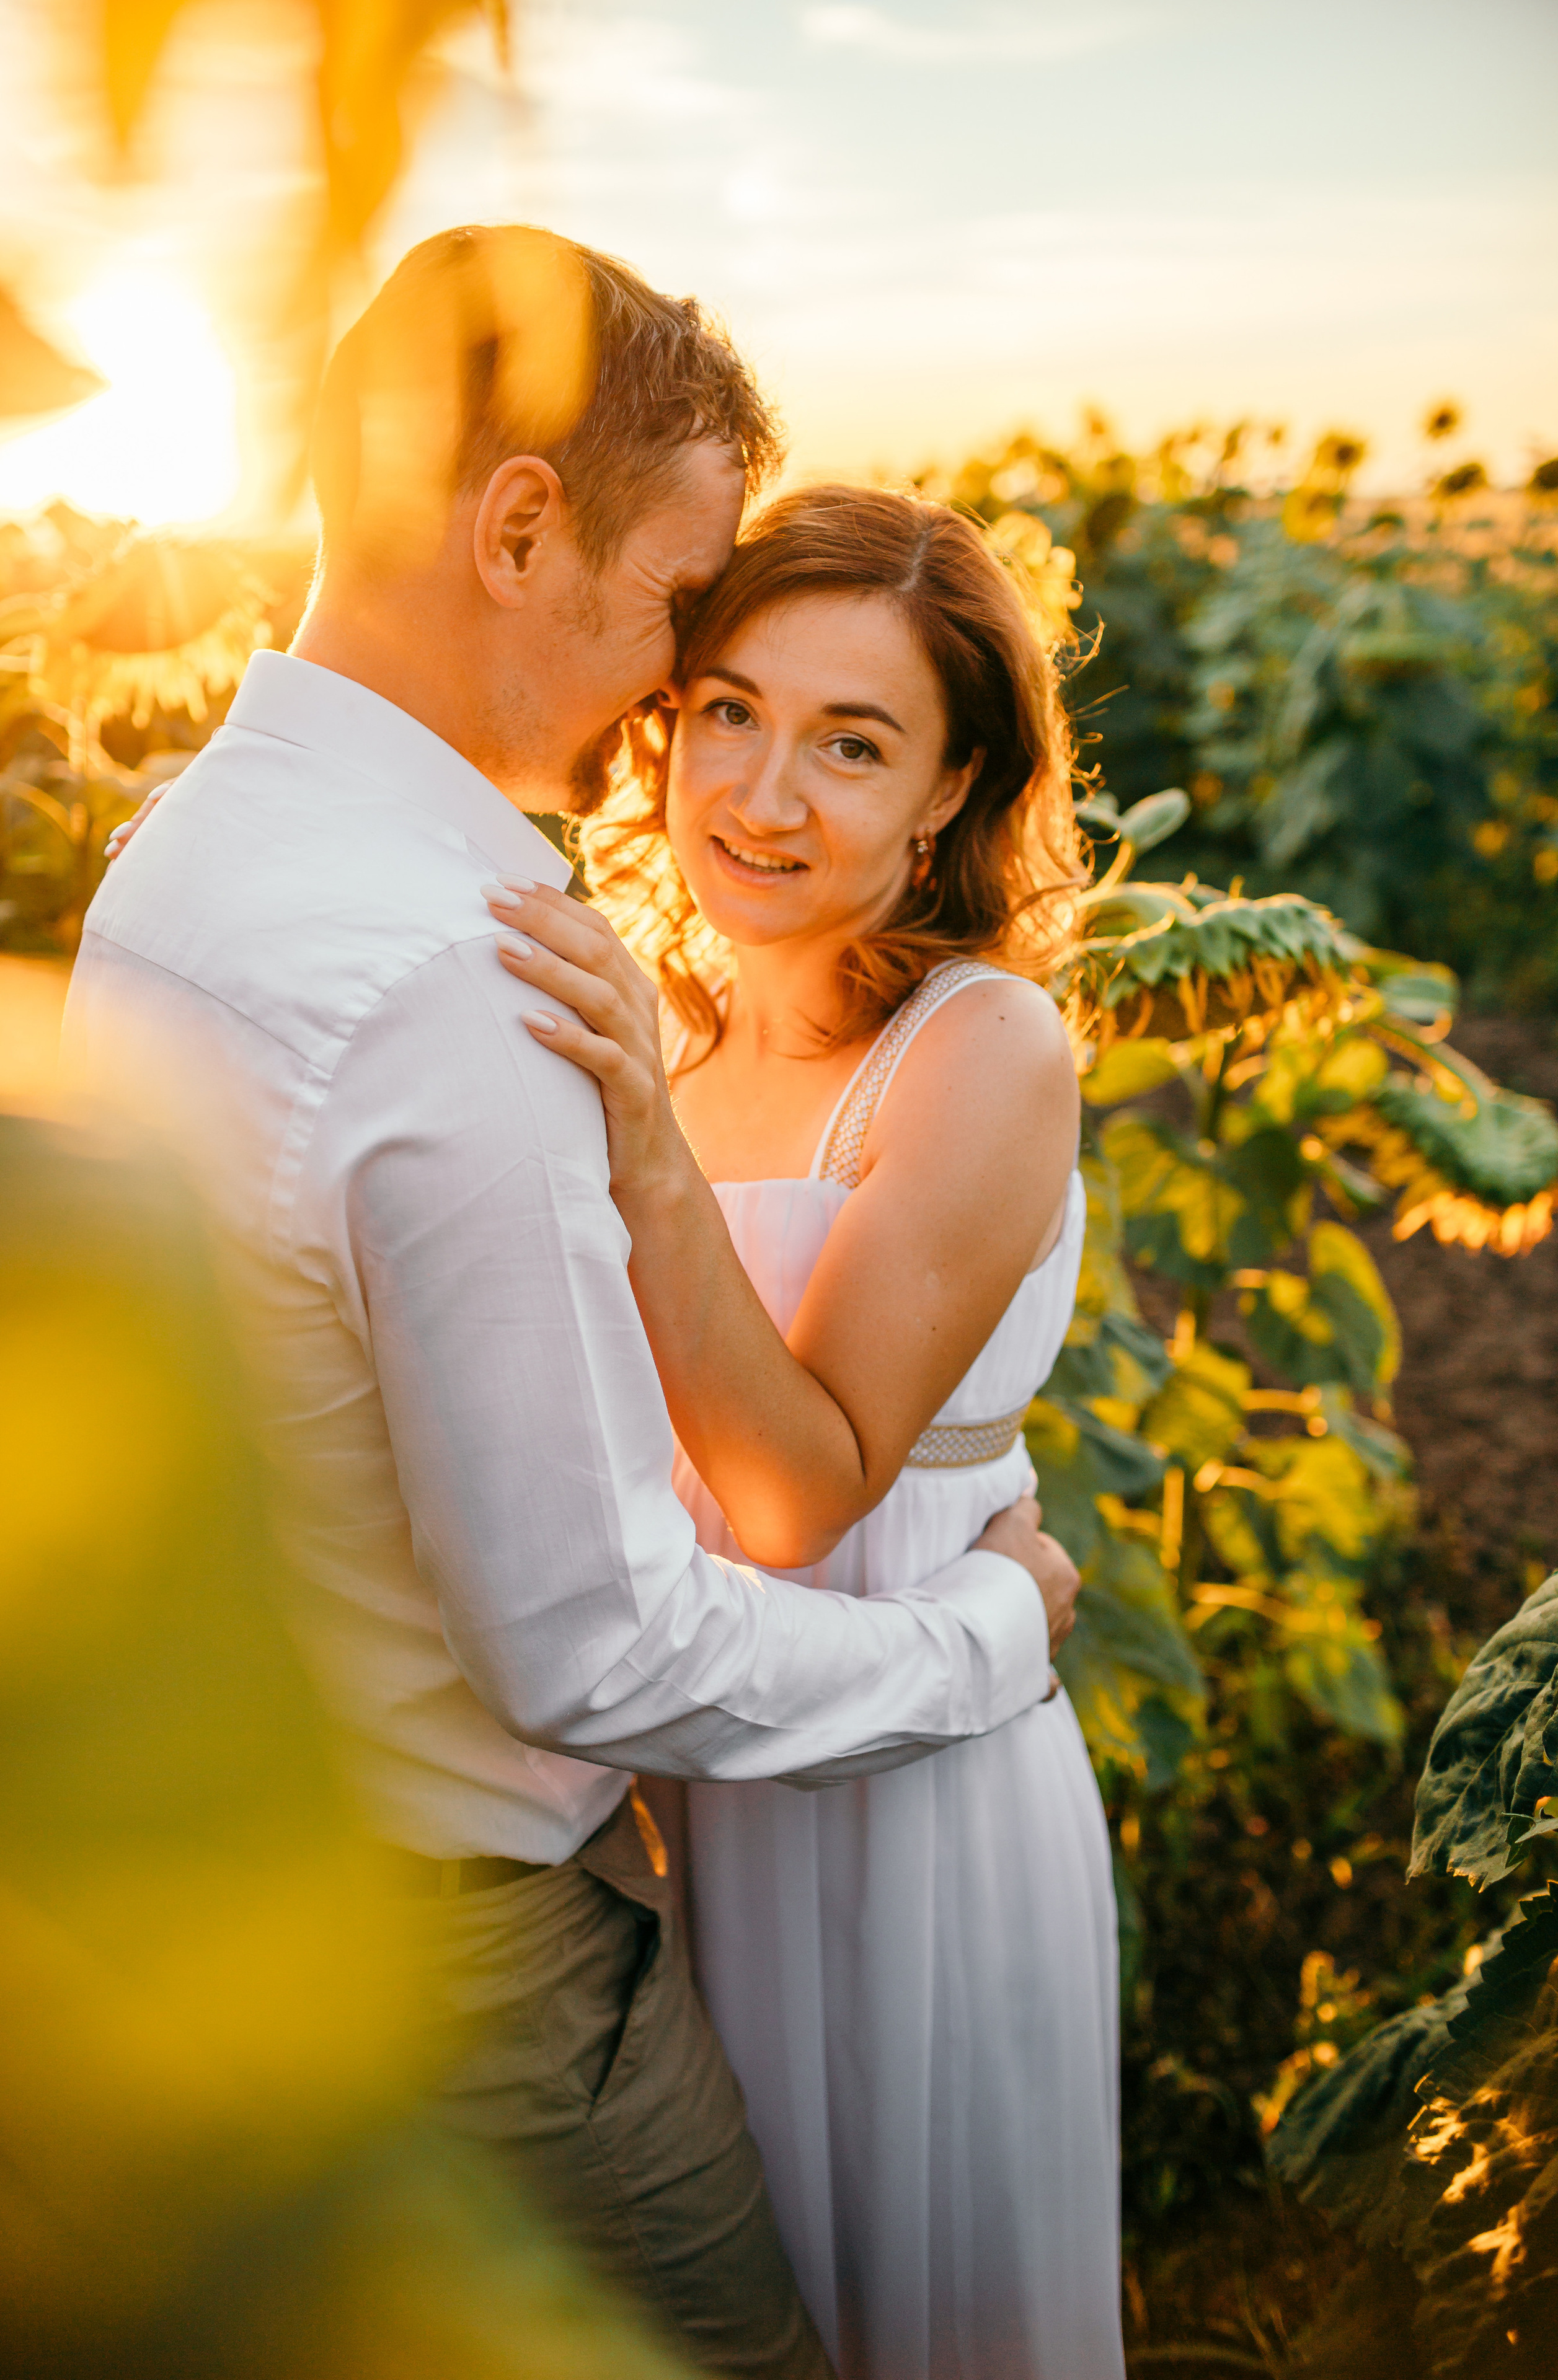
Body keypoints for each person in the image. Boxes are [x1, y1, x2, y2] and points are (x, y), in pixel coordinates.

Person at [69, 225, 1080, 2379]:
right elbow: (587, 1641)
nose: (672, 706)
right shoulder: (466, 971)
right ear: (520, 526)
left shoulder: (180, 862)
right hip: (503, 1948)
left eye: (848, 742)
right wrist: (990, 1629)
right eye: (678, 626)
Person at [482, 483, 1126, 2379]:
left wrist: (638, 1149)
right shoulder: (666, 1040)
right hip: (699, 1781)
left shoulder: (980, 1051)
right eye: (731, 713)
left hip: (908, 1798)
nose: (763, 794)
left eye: (854, 744)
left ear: (950, 792)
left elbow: (789, 1493)